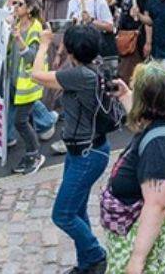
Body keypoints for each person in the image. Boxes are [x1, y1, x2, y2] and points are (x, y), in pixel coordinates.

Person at [29, 23, 112, 274]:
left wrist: (44, 45)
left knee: (63, 214)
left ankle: (96, 255)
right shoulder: (89, 66)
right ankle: (87, 264)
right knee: (77, 209)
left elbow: (36, 75)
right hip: (81, 150)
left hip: (88, 154)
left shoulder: (81, 75)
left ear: (74, 51)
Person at [103, 64, 165, 273]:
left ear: (145, 103)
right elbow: (146, 123)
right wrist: (126, 96)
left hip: (162, 235)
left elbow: (157, 205)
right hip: (146, 227)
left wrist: (137, 259)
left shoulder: (161, 148)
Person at [9, 0, 47, 175]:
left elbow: (32, 57)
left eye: (20, 4)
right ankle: (31, 153)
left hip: (29, 83)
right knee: (28, 119)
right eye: (14, 3)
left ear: (30, 8)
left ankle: (35, 154)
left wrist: (18, 39)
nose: (15, 6)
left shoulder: (35, 28)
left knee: (20, 121)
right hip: (16, 80)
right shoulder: (16, 23)